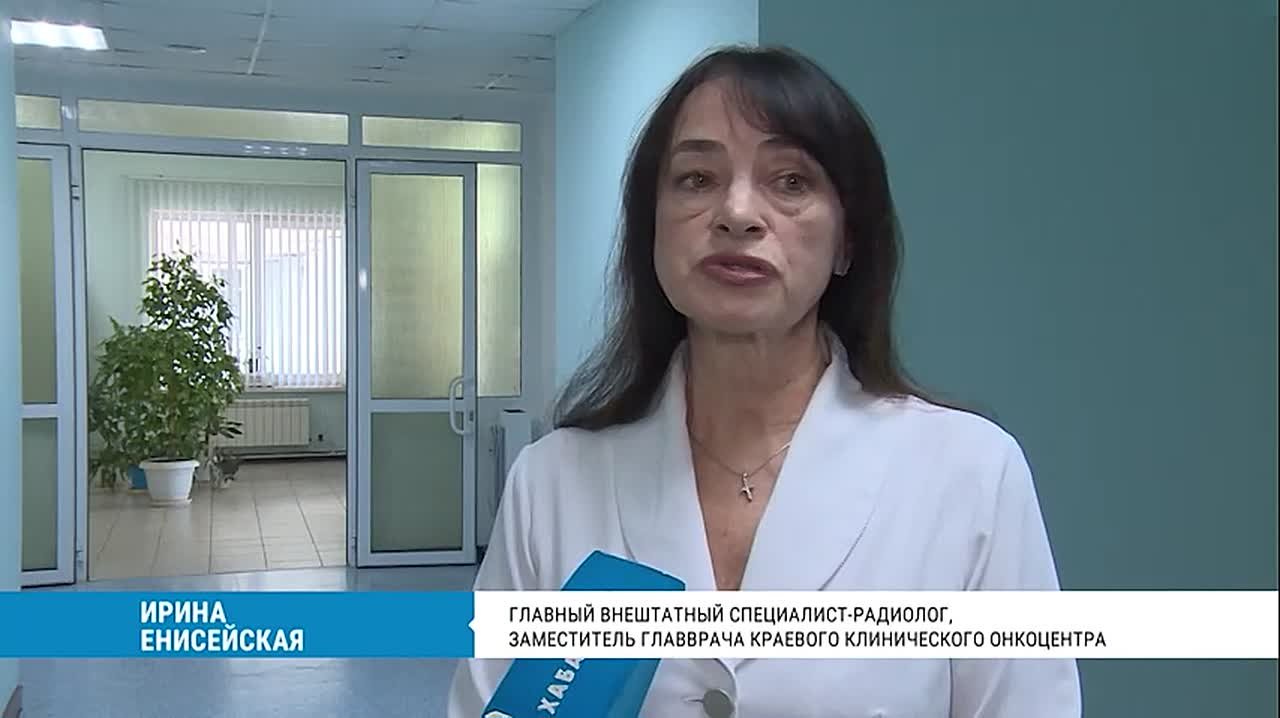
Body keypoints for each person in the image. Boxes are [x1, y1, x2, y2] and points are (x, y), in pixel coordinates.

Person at [448, 44, 1082, 717]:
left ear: (847, 241)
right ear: (651, 229)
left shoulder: (970, 474)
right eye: (697, 179)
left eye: (791, 182)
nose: (737, 213)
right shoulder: (552, 483)